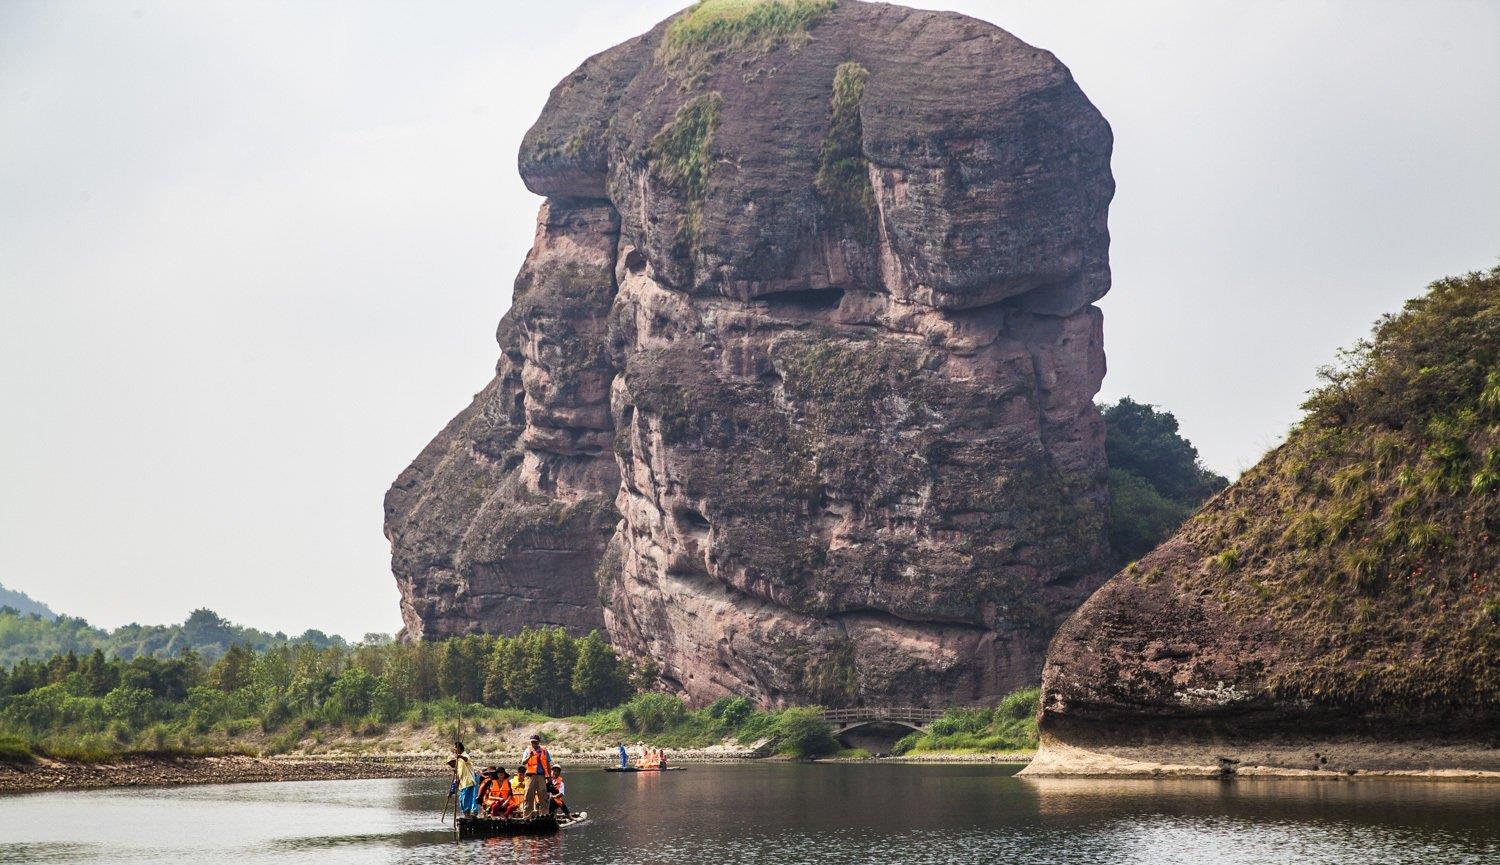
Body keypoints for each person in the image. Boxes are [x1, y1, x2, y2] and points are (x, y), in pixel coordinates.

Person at [521, 734, 553, 819]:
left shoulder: (544, 751)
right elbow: (523, 762)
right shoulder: (528, 750)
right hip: (530, 777)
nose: (533, 744)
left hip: (541, 776)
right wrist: (529, 756)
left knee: (543, 796)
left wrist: (549, 777)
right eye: (532, 742)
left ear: (538, 742)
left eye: (535, 742)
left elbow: (548, 764)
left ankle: (544, 816)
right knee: (528, 796)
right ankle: (527, 817)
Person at [448, 742, 478, 818]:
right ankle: (466, 816)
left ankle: (468, 816)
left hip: (468, 782)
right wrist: (456, 772)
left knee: (466, 801)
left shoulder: (465, 756)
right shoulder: (458, 761)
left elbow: (466, 759)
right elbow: (459, 774)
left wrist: (460, 756)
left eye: (456, 748)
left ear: (460, 748)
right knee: (461, 801)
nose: (454, 749)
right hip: (462, 784)